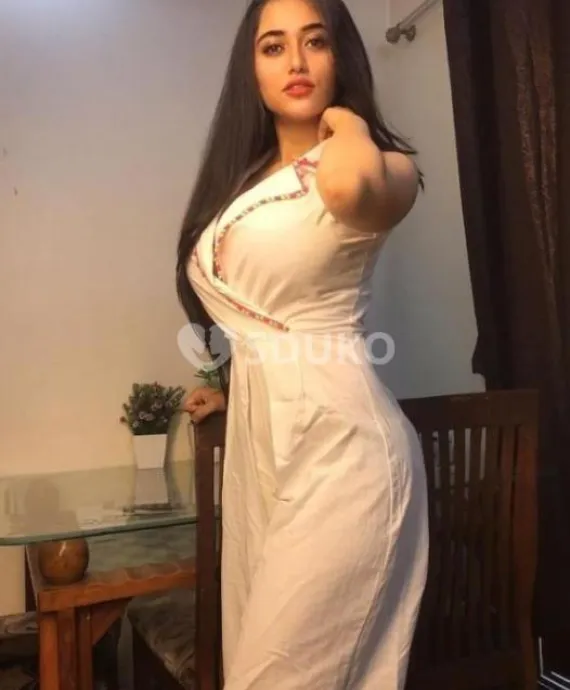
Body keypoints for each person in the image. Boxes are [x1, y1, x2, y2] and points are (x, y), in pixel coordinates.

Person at [176, 0, 429, 687]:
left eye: (315, 42)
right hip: (260, 458)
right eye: (273, 46)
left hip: (344, 452)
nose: (295, 61)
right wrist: (233, 386)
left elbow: (345, 188)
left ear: (342, 56)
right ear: (250, 68)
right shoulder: (242, 187)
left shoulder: (387, 166)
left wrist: (348, 119)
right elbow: (260, 313)